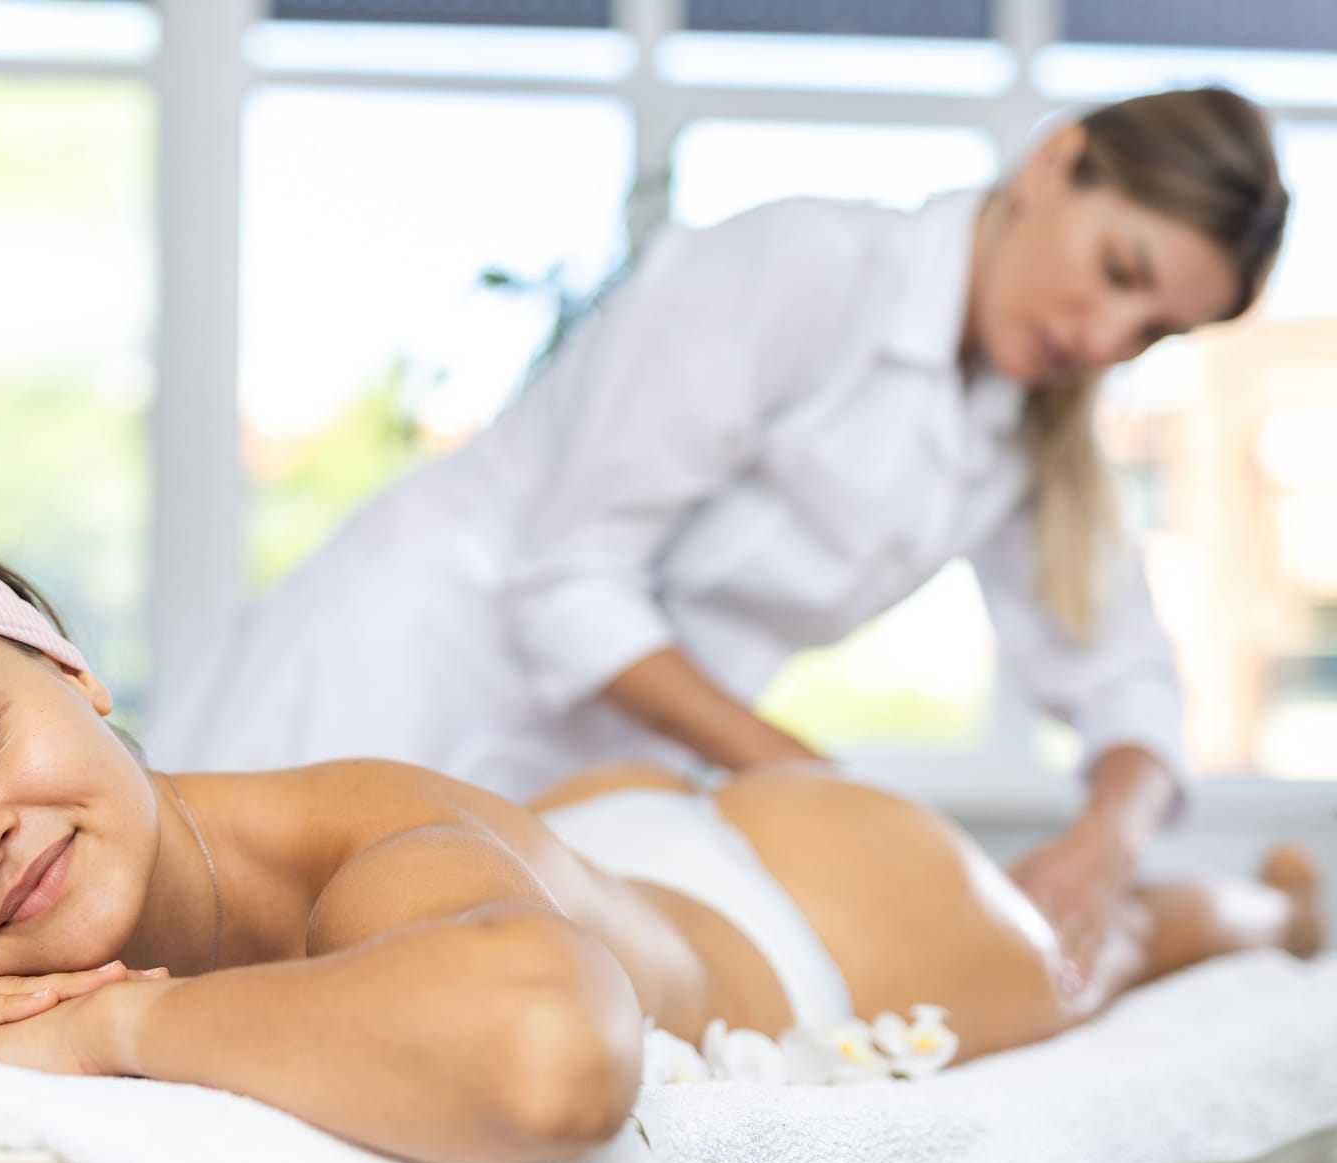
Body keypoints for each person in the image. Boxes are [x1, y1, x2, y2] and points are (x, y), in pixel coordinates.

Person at [0, 533, 1320, 1163]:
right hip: (583, 859)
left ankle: (1271, 892)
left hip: (819, 911)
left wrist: (107, 1033)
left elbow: (546, 1060)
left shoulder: (343, 835)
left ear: (79, 678)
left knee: (1107, 946)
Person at [145, 87, 1292, 988]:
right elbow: (573, 582)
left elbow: (1127, 677)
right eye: (1118, 271)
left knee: (408, 1017)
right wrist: (805, 781)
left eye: (1154, 331)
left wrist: (1108, 837)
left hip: (587, 779)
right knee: (218, 962)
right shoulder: (805, 267)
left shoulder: (1022, 433)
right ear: (1056, 160)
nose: (1103, 336)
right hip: (403, 667)